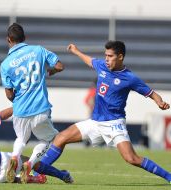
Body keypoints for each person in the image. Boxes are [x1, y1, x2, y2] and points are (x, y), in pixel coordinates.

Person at [41, 41, 171, 184]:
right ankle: (39, 172)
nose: (106, 59)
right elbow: (90, 61)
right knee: (60, 138)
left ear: (120, 57)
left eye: (110, 56)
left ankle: (169, 177)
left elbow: (151, 93)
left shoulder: (130, 78)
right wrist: (76, 51)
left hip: (115, 124)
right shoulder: (102, 66)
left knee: (131, 159)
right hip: (95, 122)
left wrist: (159, 102)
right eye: (105, 55)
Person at [0, 23, 65, 183]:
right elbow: (59, 65)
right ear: (25, 38)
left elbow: (9, 94)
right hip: (40, 108)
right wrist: (52, 71)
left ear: (9, 40)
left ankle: (15, 156)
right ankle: (29, 164)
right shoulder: (38, 50)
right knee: (49, 139)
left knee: (21, 138)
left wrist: (18, 97)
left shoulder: (5, 64)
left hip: (20, 109)